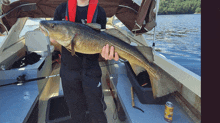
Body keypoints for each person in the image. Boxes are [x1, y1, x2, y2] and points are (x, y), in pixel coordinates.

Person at [51, 0, 119, 122]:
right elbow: (55, 40)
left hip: (91, 70)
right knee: (75, 110)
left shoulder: (100, 12)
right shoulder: (61, 9)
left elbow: (102, 41)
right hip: (69, 70)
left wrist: (107, 54)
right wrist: (53, 38)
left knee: (96, 108)